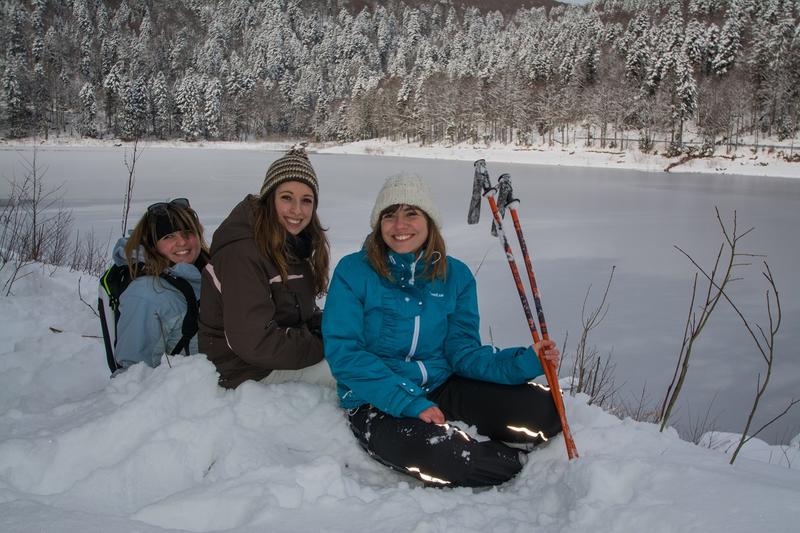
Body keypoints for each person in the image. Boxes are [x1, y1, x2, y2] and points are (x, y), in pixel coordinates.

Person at [322, 174, 563, 488]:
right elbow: (346, 355)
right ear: (378, 223)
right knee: (452, 459)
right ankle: (500, 462)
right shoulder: (353, 272)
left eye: (412, 213)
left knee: (547, 410)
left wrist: (525, 362)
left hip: (442, 384)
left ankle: (485, 446)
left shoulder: (456, 276)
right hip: (375, 397)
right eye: (389, 215)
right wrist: (410, 402)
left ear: (429, 221)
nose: (399, 225)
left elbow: (462, 351)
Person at [199, 147, 332, 389]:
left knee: (362, 357)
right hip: (243, 369)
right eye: (286, 197)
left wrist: (338, 327)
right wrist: (324, 344)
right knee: (351, 373)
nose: (297, 210)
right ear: (269, 198)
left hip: (277, 355)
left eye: (306, 200)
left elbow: (302, 313)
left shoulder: (292, 243)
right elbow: (255, 342)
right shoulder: (243, 252)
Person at [113, 198, 209, 369]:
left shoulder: (206, 273)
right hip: (189, 390)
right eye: (169, 236)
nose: (182, 242)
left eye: (188, 232)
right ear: (152, 244)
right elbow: (133, 373)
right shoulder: (146, 294)